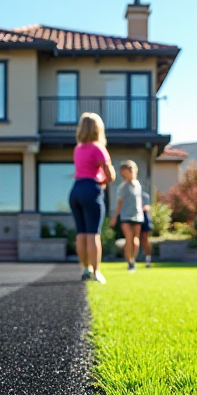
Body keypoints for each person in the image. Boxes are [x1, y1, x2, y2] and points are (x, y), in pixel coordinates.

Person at [70, 112, 116, 283]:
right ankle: (96, 272)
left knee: (81, 234)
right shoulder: (98, 147)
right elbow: (110, 175)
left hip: (76, 190)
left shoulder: (78, 148)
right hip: (91, 189)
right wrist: (103, 179)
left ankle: (85, 269)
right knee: (93, 234)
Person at [111, 160, 146, 273]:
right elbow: (119, 204)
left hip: (137, 216)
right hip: (125, 216)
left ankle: (133, 260)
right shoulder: (122, 187)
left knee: (136, 240)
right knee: (129, 239)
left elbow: (140, 201)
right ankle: (129, 262)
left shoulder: (138, 185)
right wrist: (115, 216)